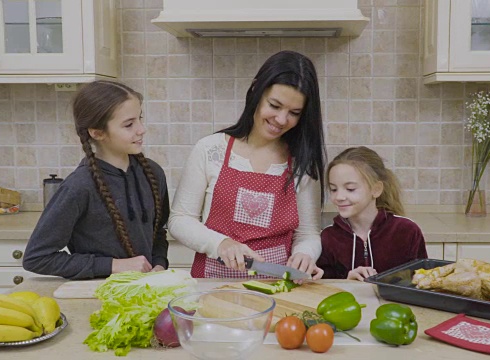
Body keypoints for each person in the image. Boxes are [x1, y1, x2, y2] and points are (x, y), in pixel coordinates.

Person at [168, 50, 326, 279]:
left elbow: (308, 233)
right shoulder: (210, 149)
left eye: (294, 113)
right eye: (274, 105)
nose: (281, 120)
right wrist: (221, 243)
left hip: (278, 287)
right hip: (213, 284)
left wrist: (305, 254)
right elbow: (179, 220)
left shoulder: (302, 163)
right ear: (255, 91)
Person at [23, 80, 170, 280]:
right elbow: (37, 257)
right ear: (97, 133)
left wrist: (159, 264)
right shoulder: (79, 186)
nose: (141, 129)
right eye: (129, 124)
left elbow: (159, 232)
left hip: (146, 291)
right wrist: (113, 265)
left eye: (140, 119)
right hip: (95, 295)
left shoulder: (153, 173)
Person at [317, 146, 427, 281]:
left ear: (376, 189)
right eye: (333, 189)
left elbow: (423, 281)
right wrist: (346, 280)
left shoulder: (407, 231)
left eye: (350, 189)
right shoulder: (328, 237)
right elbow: (322, 286)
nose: (339, 196)